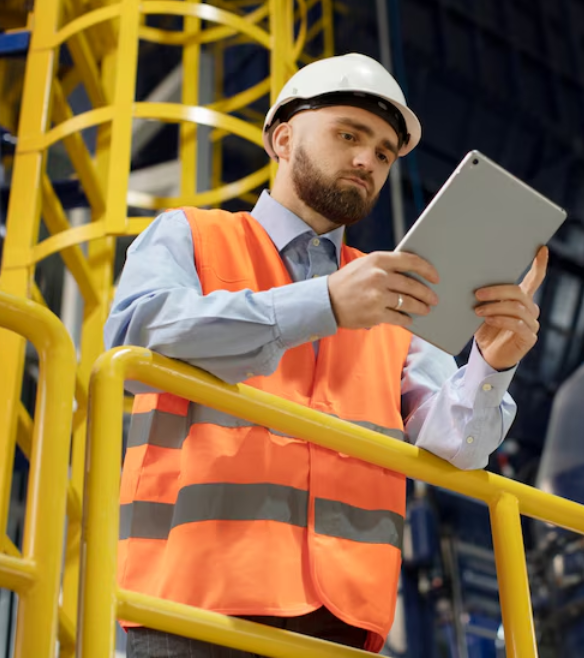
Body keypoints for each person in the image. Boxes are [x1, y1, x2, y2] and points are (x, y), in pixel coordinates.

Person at [104, 53, 548, 657]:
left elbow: (458, 447)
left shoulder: (389, 291)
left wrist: (492, 364)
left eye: (386, 152)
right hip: (196, 600)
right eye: (349, 135)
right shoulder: (191, 236)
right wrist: (324, 305)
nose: (369, 160)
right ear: (283, 138)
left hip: (342, 617)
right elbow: (134, 334)